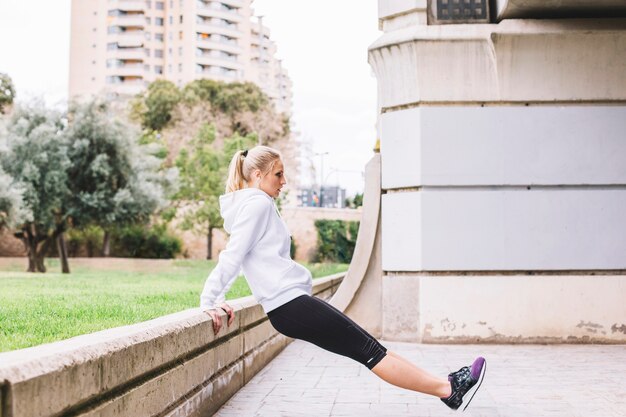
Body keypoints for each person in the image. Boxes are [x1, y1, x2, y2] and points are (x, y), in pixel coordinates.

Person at [200, 145, 486, 411]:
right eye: (278, 174)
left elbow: (245, 257)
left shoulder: (257, 205)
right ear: (257, 175)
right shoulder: (258, 205)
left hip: (291, 304)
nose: (284, 181)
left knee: (373, 349)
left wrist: (218, 298)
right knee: (370, 353)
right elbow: (233, 255)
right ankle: (449, 389)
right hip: (288, 305)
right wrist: (210, 299)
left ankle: (447, 386)